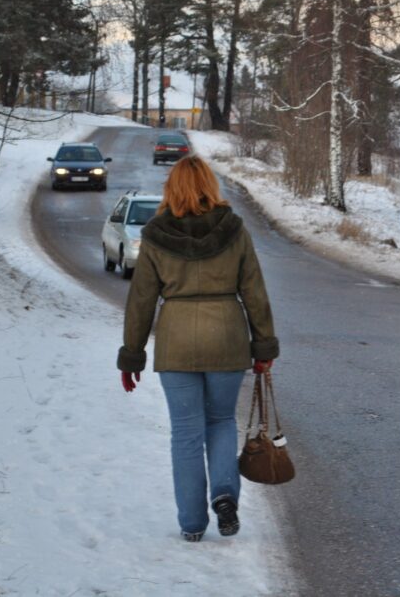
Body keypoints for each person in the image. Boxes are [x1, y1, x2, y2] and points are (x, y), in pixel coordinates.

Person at [117, 155, 279, 542]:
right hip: (226, 336)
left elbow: (141, 300)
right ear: (210, 184)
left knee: (186, 433)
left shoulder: (155, 233)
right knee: (221, 421)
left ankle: (191, 523)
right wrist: (264, 346)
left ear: (171, 188)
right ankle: (224, 495)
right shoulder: (234, 229)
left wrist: (131, 355)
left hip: (176, 342)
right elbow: (254, 290)